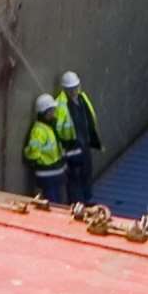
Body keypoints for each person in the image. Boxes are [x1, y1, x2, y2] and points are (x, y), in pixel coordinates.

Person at [53, 70, 103, 203]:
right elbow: (57, 129)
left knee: (86, 173)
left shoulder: (82, 98)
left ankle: (86, 201)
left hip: (84, 144)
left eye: (76, 87)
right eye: (71, 88)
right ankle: (76, 203)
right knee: (74, 176)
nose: (74, 91)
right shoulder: (60, 105)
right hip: (71, 147)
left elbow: (88, 118)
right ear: (65, 89)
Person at [24, 94, 68, 202]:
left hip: (54, 173)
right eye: (51, 111)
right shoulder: (39, 130)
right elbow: (33, 153)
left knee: (57, 202)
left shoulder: (48, 127)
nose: (53, 113)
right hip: (47, 174)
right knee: (53, 203)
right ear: (44, 113)